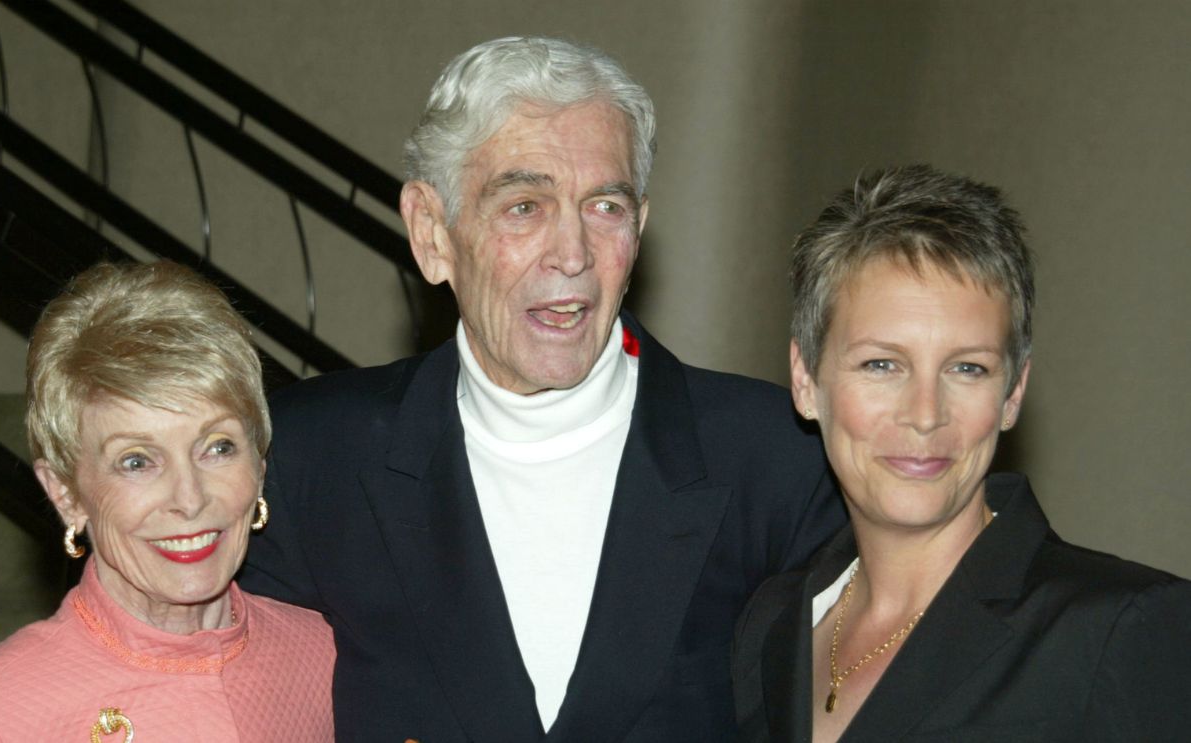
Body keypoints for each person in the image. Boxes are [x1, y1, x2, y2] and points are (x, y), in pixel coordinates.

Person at [239, 36, 844, 741]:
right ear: (432, 234)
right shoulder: (307, 459)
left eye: (604, 207)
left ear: (639, 228)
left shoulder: (778, 458)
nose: (573, 253)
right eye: (524, 206)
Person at [731, 164, 1191, 742]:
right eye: (882, 364)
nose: (926, 413)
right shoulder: (769, 624)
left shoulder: (1121, 628)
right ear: (805, 380)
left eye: (967, 368)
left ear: (1012, 393)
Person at [0, 261, 335, 741]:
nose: (189, 500)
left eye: (218, 447)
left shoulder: (327, 657)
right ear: (66, 493)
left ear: (260, 466)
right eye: (136, 461)